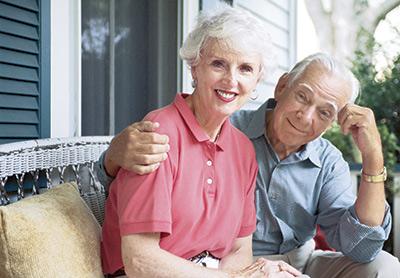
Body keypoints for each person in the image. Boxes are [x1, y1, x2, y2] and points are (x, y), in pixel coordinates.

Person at [98, 52, 400, 277]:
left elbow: (362, 248)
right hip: (230, 262)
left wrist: (373, 157)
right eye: (302, 97)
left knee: (384, 267)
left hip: (299, 261)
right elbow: (132, 185)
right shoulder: (226, 130)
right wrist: (114, 155)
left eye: (324, 113)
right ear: (282, 87)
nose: (305, 117)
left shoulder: (328, 161)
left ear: (334, 122)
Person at [100, 5, 303, 278]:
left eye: (245, 69)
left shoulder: (243, 150)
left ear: (256, 81)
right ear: (194, 67)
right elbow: (141, 262)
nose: (231, 80)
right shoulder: (159, 133)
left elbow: (238, 251)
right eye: (218, 64)